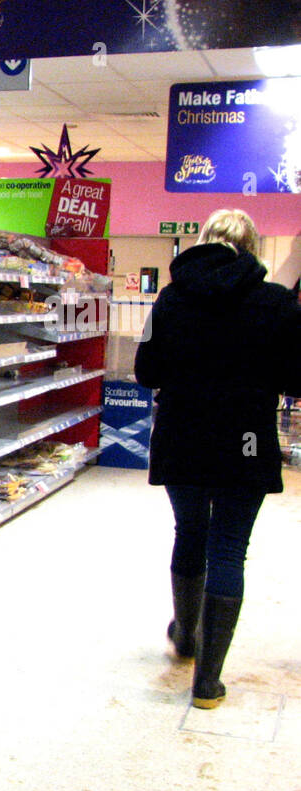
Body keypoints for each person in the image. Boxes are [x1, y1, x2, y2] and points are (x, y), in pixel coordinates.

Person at [135, 209, 301, 709]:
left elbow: (145, 371)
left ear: (204, 242)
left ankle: (185, 636)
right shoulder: (276, 303)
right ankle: (207, 682)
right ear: (252, 246)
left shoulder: (170, 298)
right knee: (228, 548)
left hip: (182, 435)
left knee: (190, 533)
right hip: (246, 439)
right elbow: (296, 379)